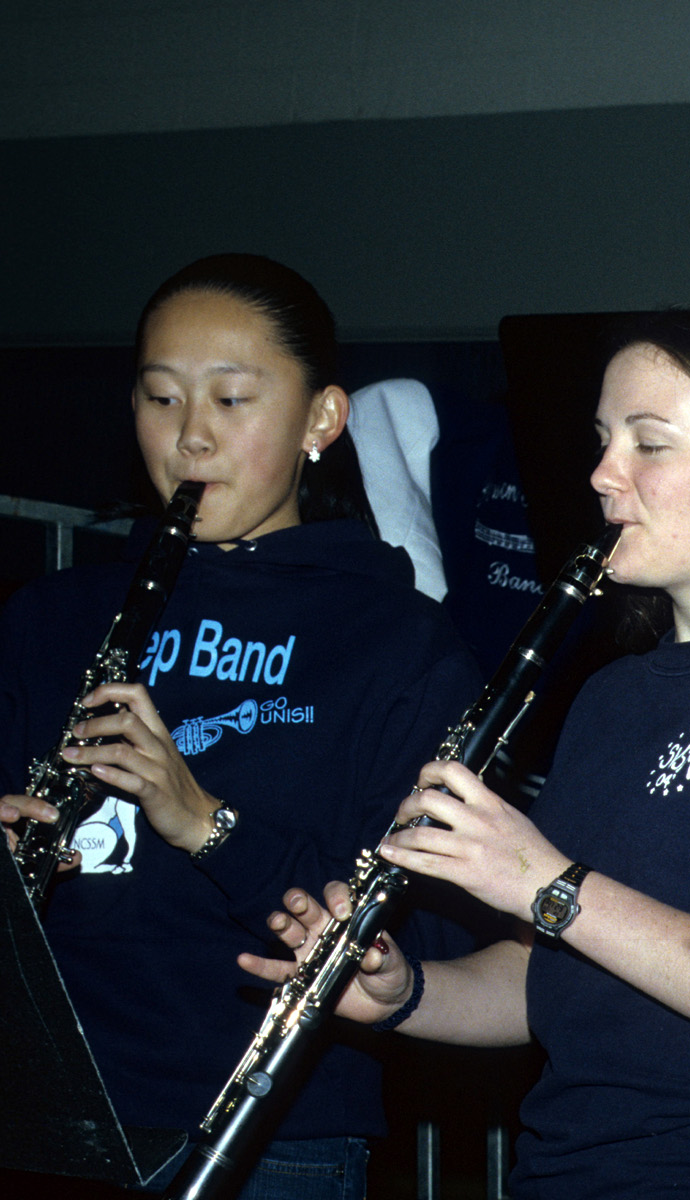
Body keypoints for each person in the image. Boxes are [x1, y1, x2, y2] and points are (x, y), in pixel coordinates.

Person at [246, 309, 690, 1197]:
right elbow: (546, 976)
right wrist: (407, 994)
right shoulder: (608, 696)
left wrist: (549, 883)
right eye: (603, 440)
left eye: (648, 444)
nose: (602, 475)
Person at [0, 254, 483, 1195]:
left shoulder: (397, 643)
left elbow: (426, 948)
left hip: (266, 1136)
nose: (191, 437)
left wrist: (205, 824)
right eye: (161, 398)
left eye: (230, 400)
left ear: (321, 420)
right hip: (39, 1116)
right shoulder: (49, 616)